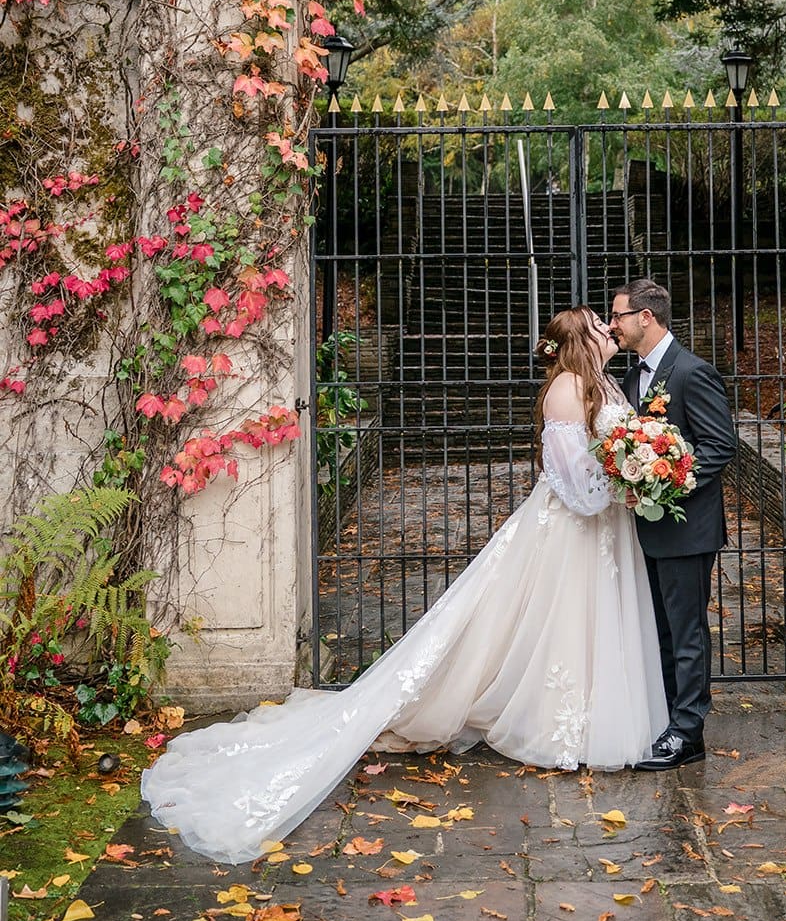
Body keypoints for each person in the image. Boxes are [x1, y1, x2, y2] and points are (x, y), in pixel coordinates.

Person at [140, 306, 668, 863]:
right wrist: (621, 485)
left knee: (581, 621)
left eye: (610, 323)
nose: (611, 330)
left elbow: (610, 454)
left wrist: (636, 475)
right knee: (546, 620)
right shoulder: (565, 389)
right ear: (580, 340)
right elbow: (570, 483)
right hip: (568, 531)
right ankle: (547, 721)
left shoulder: (605, 382)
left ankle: (590, 715)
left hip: (605, 534)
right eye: (599, 324)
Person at [610, 278, 737, 770]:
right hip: (649, 528)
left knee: (686, 633)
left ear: (646, 316)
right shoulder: (633, 377)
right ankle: (669, 718)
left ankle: (689, 732)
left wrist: (667, 486)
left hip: (686, 530)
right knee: (662, 631)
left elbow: (719, 447)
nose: (613, 324)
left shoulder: (691, 372)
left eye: (618, 315)